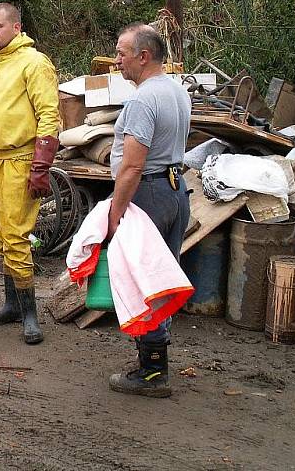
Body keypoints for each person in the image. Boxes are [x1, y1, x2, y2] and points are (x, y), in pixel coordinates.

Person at [0, 3, 60, 344]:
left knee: (17, 236)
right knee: (1, 233)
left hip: (18, 161)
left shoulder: (34, 63)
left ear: (16, 27)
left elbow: (49, 116)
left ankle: (30, 314)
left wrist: (41, 166)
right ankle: (12, 305)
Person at [107, 22, 191, 398]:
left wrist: (116, 211)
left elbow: (133, 166)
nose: (117, 60)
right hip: (176, 189)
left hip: (150, 193)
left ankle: (153, 370)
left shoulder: (142, 100)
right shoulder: (177, 91)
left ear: (143, 56)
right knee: (160, 275)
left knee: (145, 281)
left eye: (122, 53)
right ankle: (156, 362)